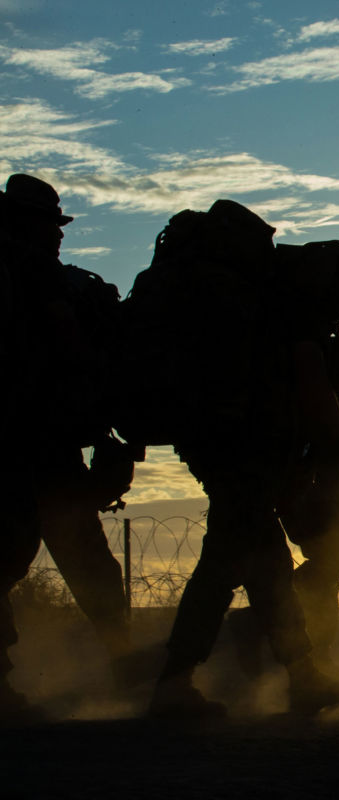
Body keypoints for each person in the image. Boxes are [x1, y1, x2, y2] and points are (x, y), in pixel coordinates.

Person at [147, 210, 339, 718]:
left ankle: (303, 674)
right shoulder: (292, 323)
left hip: (215, 442)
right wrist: (324, 442)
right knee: (224, 563)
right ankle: (173, 683)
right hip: (246, 451)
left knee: (266, 563)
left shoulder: (245, 307)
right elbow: (321, 411)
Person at [0, 174, 141, 714]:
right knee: (13, 557)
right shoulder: (34, 277)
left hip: (39, 440)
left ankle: (124, 660)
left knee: (75, 556)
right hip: (24, 443)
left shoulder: (31, 274)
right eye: (50, 225)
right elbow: (69, 348)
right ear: (24, 223)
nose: (59, 236)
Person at [233, 301, 339, 679]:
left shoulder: (331, 351)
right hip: (322, 472)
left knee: (324, 564)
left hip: (293, 465)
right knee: (330, 564)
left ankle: (284, 634)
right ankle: (278, 632)